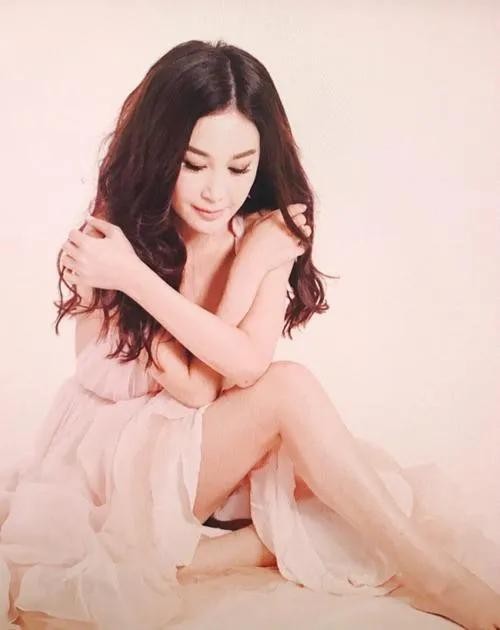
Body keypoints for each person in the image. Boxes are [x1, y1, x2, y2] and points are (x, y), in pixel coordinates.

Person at [1, 39, 499, 630]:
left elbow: (236, 366)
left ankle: (199, 557)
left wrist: (248, 263)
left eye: (239, 168)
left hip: (198, 446)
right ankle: (438, 580)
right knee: (292, 393)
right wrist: (135, 274)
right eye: (194, 164)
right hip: (112, 462)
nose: (217, 191)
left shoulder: (261, 236)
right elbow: (204, 386)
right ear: (159, 153)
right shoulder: (111, 239)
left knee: (367, 493)